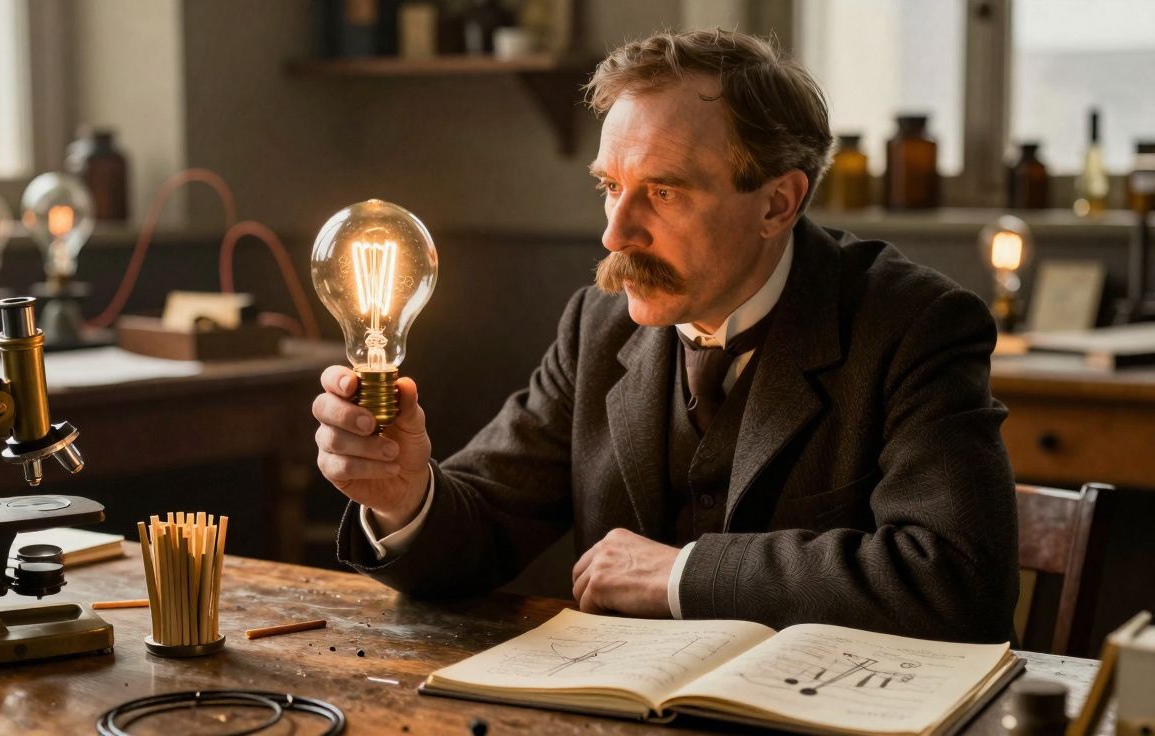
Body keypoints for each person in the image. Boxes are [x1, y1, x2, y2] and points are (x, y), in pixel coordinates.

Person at [310, 28, 1017, 643]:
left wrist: (682, 574)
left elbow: (956, 581)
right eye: (609, 186)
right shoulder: (598, 324)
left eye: (664, 191)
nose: (615, 232)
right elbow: (484, 526)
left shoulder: (916, 326)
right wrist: (405, 498)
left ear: (778, 202)